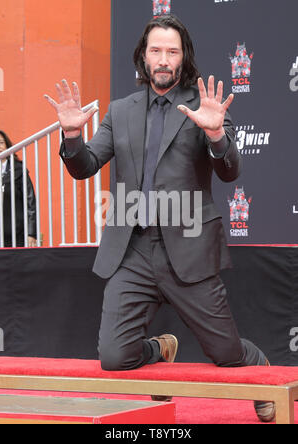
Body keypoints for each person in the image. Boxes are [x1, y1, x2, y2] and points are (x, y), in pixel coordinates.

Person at [44, 14, 275, 422]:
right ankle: (159, 348)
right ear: (143, 57)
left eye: (172, 51)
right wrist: (73, 136)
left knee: (227, 355)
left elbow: (230, 170)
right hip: (132, 249)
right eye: (156, 51)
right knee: (114, 358)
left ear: (184, 58)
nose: (163, 59)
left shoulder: (203, 105)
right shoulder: (121, 110)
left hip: (188, 247)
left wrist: (218, 135)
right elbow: (85, 166)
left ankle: (260, 367)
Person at [0, 130, 37, 248]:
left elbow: (30, 203)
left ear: (7, 146)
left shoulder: (19, 171)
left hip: (16, 235)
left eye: (0, 142)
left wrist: (31, 233)